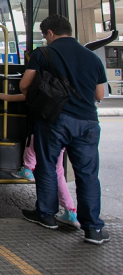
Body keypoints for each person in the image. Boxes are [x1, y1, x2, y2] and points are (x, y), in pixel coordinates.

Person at [18, 15, 108, 245]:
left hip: (55, 120)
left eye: (44, 35)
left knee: (47, 165)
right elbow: (99, 95)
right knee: (87, 175)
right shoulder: (92, 57)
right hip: (88, 123)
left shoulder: (43, 54)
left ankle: (46, 215)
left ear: (49, 33)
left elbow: (24, 85)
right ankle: (93, 229)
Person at [0, 85, 79, 228]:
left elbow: (9, 97)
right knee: (58, 172)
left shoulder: (37, 93)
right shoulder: (68, 94)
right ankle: (70, 211)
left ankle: (28, 169)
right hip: (65, 132)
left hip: (45, 132)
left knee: (33, 144)